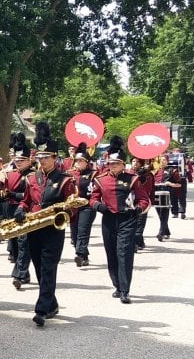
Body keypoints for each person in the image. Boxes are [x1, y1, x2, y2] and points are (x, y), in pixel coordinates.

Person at [14, 123, 77, 326]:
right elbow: (26, 200)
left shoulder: (65, 180)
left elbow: (72, 205)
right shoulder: (32, 177)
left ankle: (41, 310)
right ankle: (52, 304)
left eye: (46, 158)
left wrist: (64, 212)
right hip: (34, 227)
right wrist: (21, 210)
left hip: (53, 228)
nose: (42, 161)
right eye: (39, 158)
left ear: (55, 158)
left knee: (49, 267)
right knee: (40, 268)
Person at [90, 137, 150, 304]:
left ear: (123, 164)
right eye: (111, 163)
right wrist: (98, 206)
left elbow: (144, 200)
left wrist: (138, 209)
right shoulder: (100, 179)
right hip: (108, 219)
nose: (113, 166)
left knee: (124, 253)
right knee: (111, 254)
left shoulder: (132, 178)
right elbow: (92, 198)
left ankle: (125, 290)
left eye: (116, 163)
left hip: (127, 219)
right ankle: (116, 285)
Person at [5, 134, 33, 287]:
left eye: (22, 160)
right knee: (14, 241)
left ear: (29, 160)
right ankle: (24, 271)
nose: (18, 162)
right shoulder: (12, 173)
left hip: (25, 209)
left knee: (24, 241)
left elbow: (34, 195)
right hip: (11, 208)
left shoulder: (34, 174)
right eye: (17, 159)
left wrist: (15, 194)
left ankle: (20, 273)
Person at [70, 143, 96, 267]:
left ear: (87, 162)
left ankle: (80, 254)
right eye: (77, 160)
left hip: (87, 206)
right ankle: (83, 255)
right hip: (74, 207)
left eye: (81, 161)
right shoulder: (71, 174)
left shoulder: (93, 174)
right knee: (74, 233)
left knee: (83, 231)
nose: (78, 163)